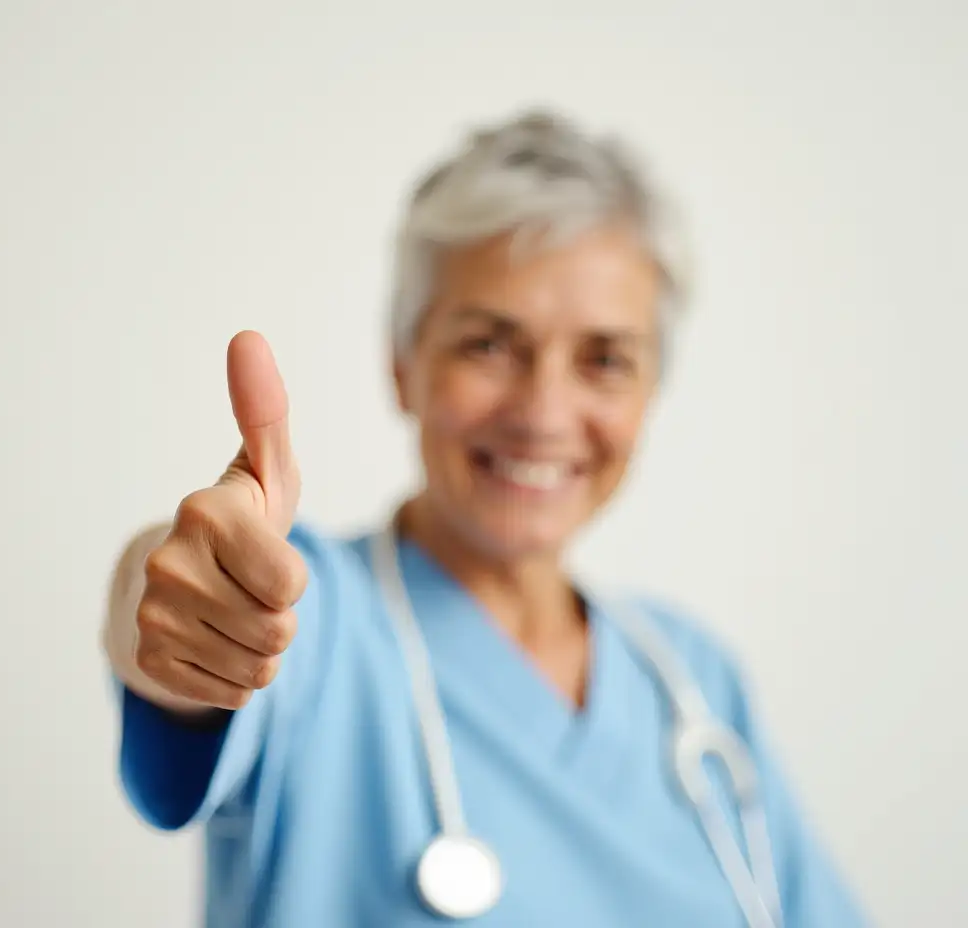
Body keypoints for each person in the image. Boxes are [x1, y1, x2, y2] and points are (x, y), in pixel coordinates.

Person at [102, 110, 868, 927]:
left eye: (604, 360)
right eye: (489, 345)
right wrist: (178, 590)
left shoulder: (695, 682)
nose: (543, 413)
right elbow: (182, 620)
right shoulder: (313, 623)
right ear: (403, 365)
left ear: (650, 393)